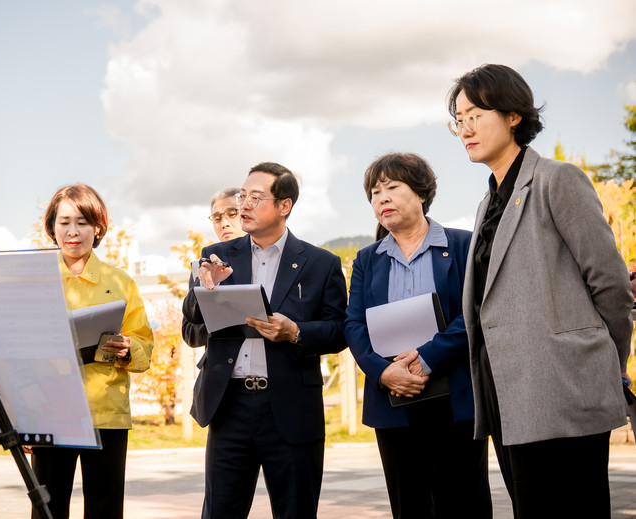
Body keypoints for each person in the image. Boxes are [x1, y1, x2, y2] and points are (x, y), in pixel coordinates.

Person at [448, 64, 633, 518]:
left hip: (564, 388)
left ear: (513, 115)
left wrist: (605, 361)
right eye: (458, 119)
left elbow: (610, 283)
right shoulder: (487, 202)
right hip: (506, 396)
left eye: (475, 115)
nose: (465, 129)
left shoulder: (557, 179)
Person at [182, 162, 348, 518]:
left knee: (296, 510)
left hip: (291, 406)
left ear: (284, 205)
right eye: (242, 196)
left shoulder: (321, 263)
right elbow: (191, 322)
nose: (243, 205)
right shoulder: (217, 254)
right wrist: (204, 289)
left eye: (255, 198)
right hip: (229, 405)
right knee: (220, 511)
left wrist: (296, 332)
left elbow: (339, 330)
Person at [344, 153, 491, 519]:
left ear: (422, 193)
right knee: (409, 506)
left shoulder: (463, 244)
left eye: (392, 187)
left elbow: (476, 312)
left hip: (456, 398)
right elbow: (354, 325)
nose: (382, 198)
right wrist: (382, 371)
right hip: (393, 400)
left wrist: (426, 358)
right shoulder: (367, 259)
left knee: (464, 505)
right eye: (375, 193)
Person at [31, 183, 153, 519]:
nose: (73, 232)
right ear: (51, 227)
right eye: (64, 222)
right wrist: (24, 415)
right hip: (49, 414)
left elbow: (144, 344)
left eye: (82, 222)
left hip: (106, 416)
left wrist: (127, 348)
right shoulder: (34, 281)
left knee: (105, 508)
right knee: (47, 510)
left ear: (97, 228)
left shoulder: (122, 282)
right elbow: (19, 354)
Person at [182, 187, 247, 347]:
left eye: (232, 214)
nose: (224, 224)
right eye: (217, 218)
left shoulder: (271, 259)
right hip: (219, 360)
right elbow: (189, 333)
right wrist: (227, 324)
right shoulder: (202, 268)